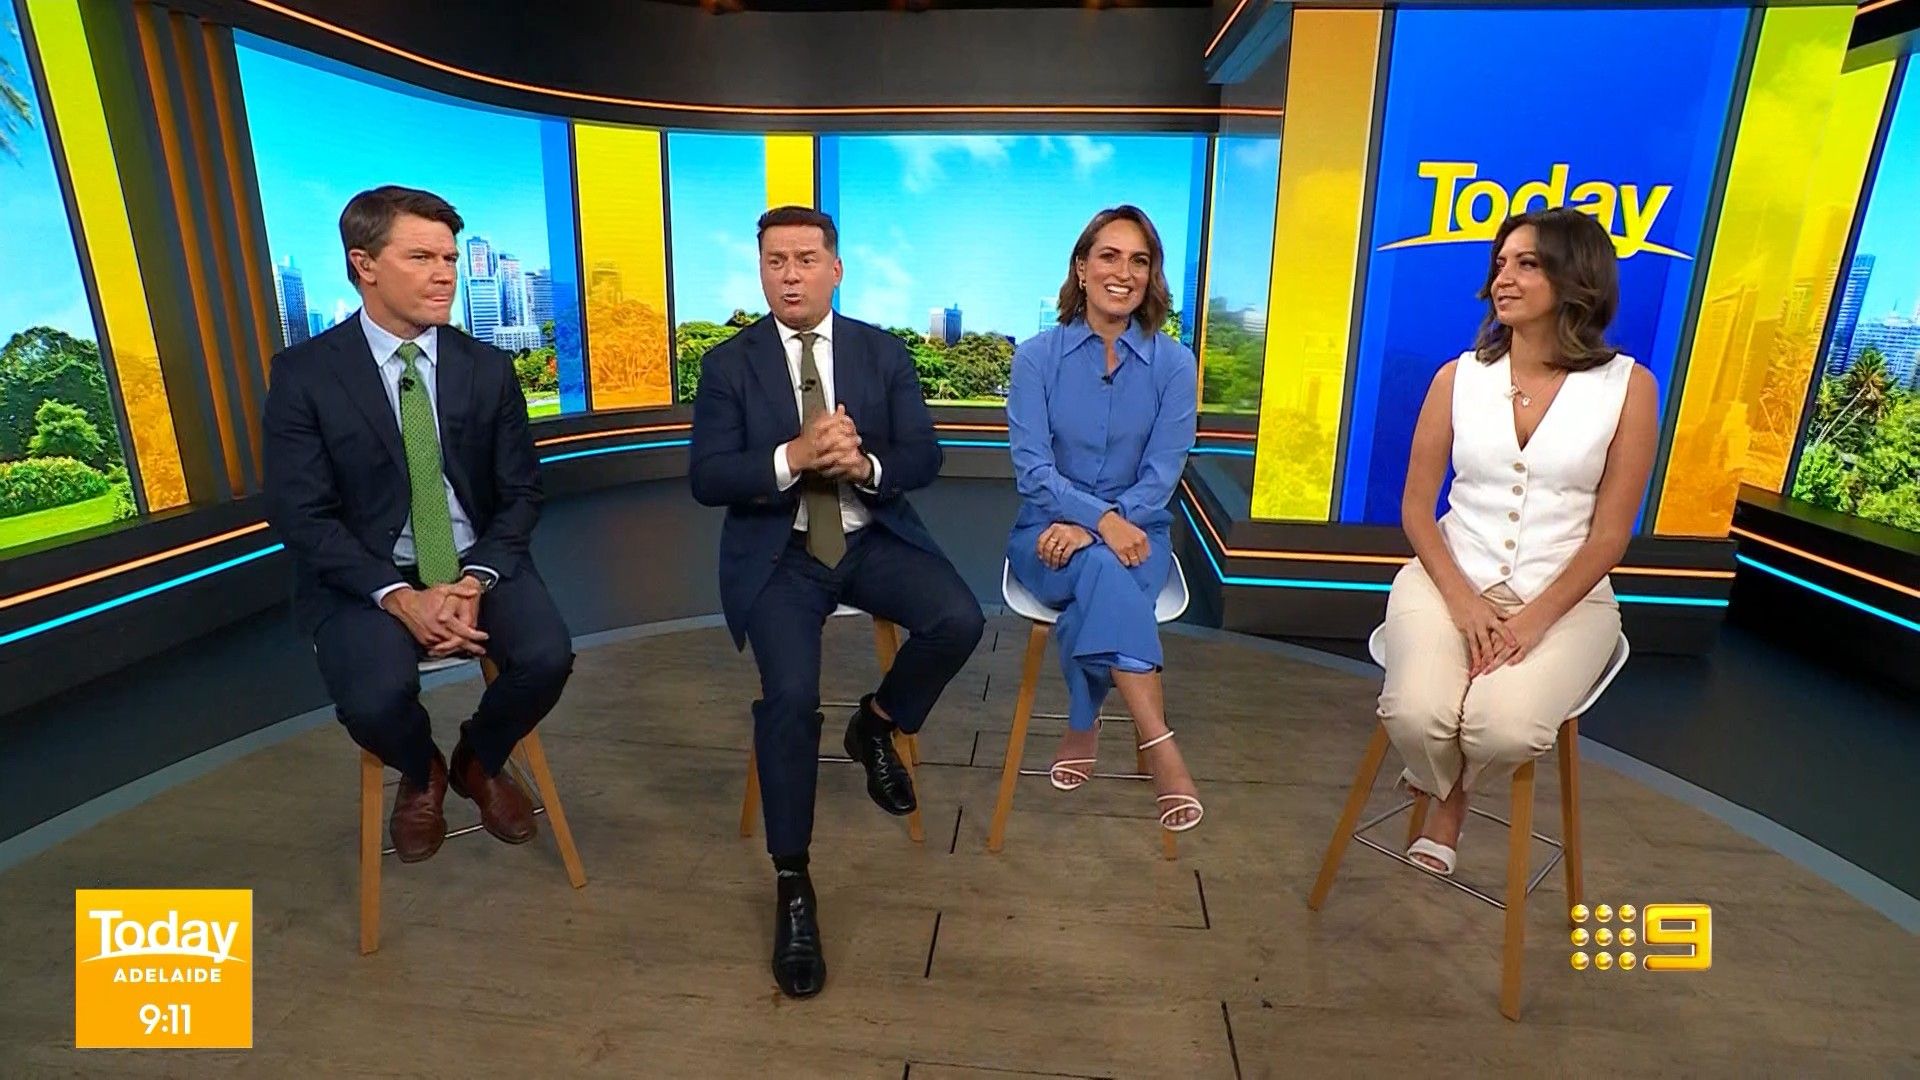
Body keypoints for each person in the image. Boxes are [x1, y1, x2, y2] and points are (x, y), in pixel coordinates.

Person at [689, 205, 986, 999]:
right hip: (781, 555)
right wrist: (793, 456)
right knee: (789, 699)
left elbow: (925, 456)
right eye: (775, 261)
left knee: (960, 619)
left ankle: (876, 723)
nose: (790, 275)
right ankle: (793, 882)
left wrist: (866, 467)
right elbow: (707, 477)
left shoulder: (881, 351)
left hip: (869, 537)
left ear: (836, 268)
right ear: (761, 271)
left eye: (806, 259)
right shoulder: (727, 366)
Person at [263, 185, 575, 865]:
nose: (444, 275)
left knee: (548, 657)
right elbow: (302, 515)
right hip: (363, 575)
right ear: (364, 264)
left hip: (474, 558)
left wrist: (474, 579)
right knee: (375, 699)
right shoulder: (305, 375)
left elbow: (522, 491)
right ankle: (421, 768)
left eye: (450, 259)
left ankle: (477, 760)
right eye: (422, 257)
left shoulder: (486, 368)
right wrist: (399, 597)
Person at [1379, 206, 1657, 876]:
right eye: (1500, 263)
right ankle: (1443, 786)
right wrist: (1464, 602)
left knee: (1502, 727)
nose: (1503, 277)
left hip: (1566, 598)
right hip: (1449, 578)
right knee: (1416, 715)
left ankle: (1448, 794)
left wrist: (1531, 621)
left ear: (1575, 277)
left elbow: (1610, 536)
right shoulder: (1458, 378)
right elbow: (1416, 508)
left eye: (1526, 264)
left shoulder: (1629, 388)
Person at [1004, 205, 1202, 835]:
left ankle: (1082, 721)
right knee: (1099, 570)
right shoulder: (1036, 358)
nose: (1124, 272)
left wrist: (1097, 527)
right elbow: (1032, 469)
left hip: (1139, 536)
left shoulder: (1175, 365)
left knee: (1099, 573)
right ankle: (1159, 745)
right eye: (1109, 256)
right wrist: (1097, 523)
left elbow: (1163, 473)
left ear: (1152, 276)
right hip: (1045, 536)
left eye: (1139, 260)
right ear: (1082, 268)